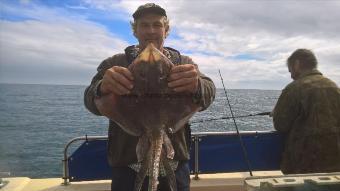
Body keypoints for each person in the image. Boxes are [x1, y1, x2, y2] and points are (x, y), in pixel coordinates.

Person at [84, 3, 216, 191]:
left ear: (166, 29)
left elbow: (209, 93)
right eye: (144, 25)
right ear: (135, 30)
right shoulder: (115, 63)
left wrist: (198, 85)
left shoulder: (183, 63)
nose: (151, 31)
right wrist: (102, 87)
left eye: (157, 25)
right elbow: (90, 100)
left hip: (175, 165)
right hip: (127, 167)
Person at [272, 49, 340, 174]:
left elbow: (280, 125)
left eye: (290, 70)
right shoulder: (334, 87)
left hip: (304, 166)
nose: (291, 76)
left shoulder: (294, 88)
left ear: (297, 64)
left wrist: (275, 112)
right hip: (335, 164)